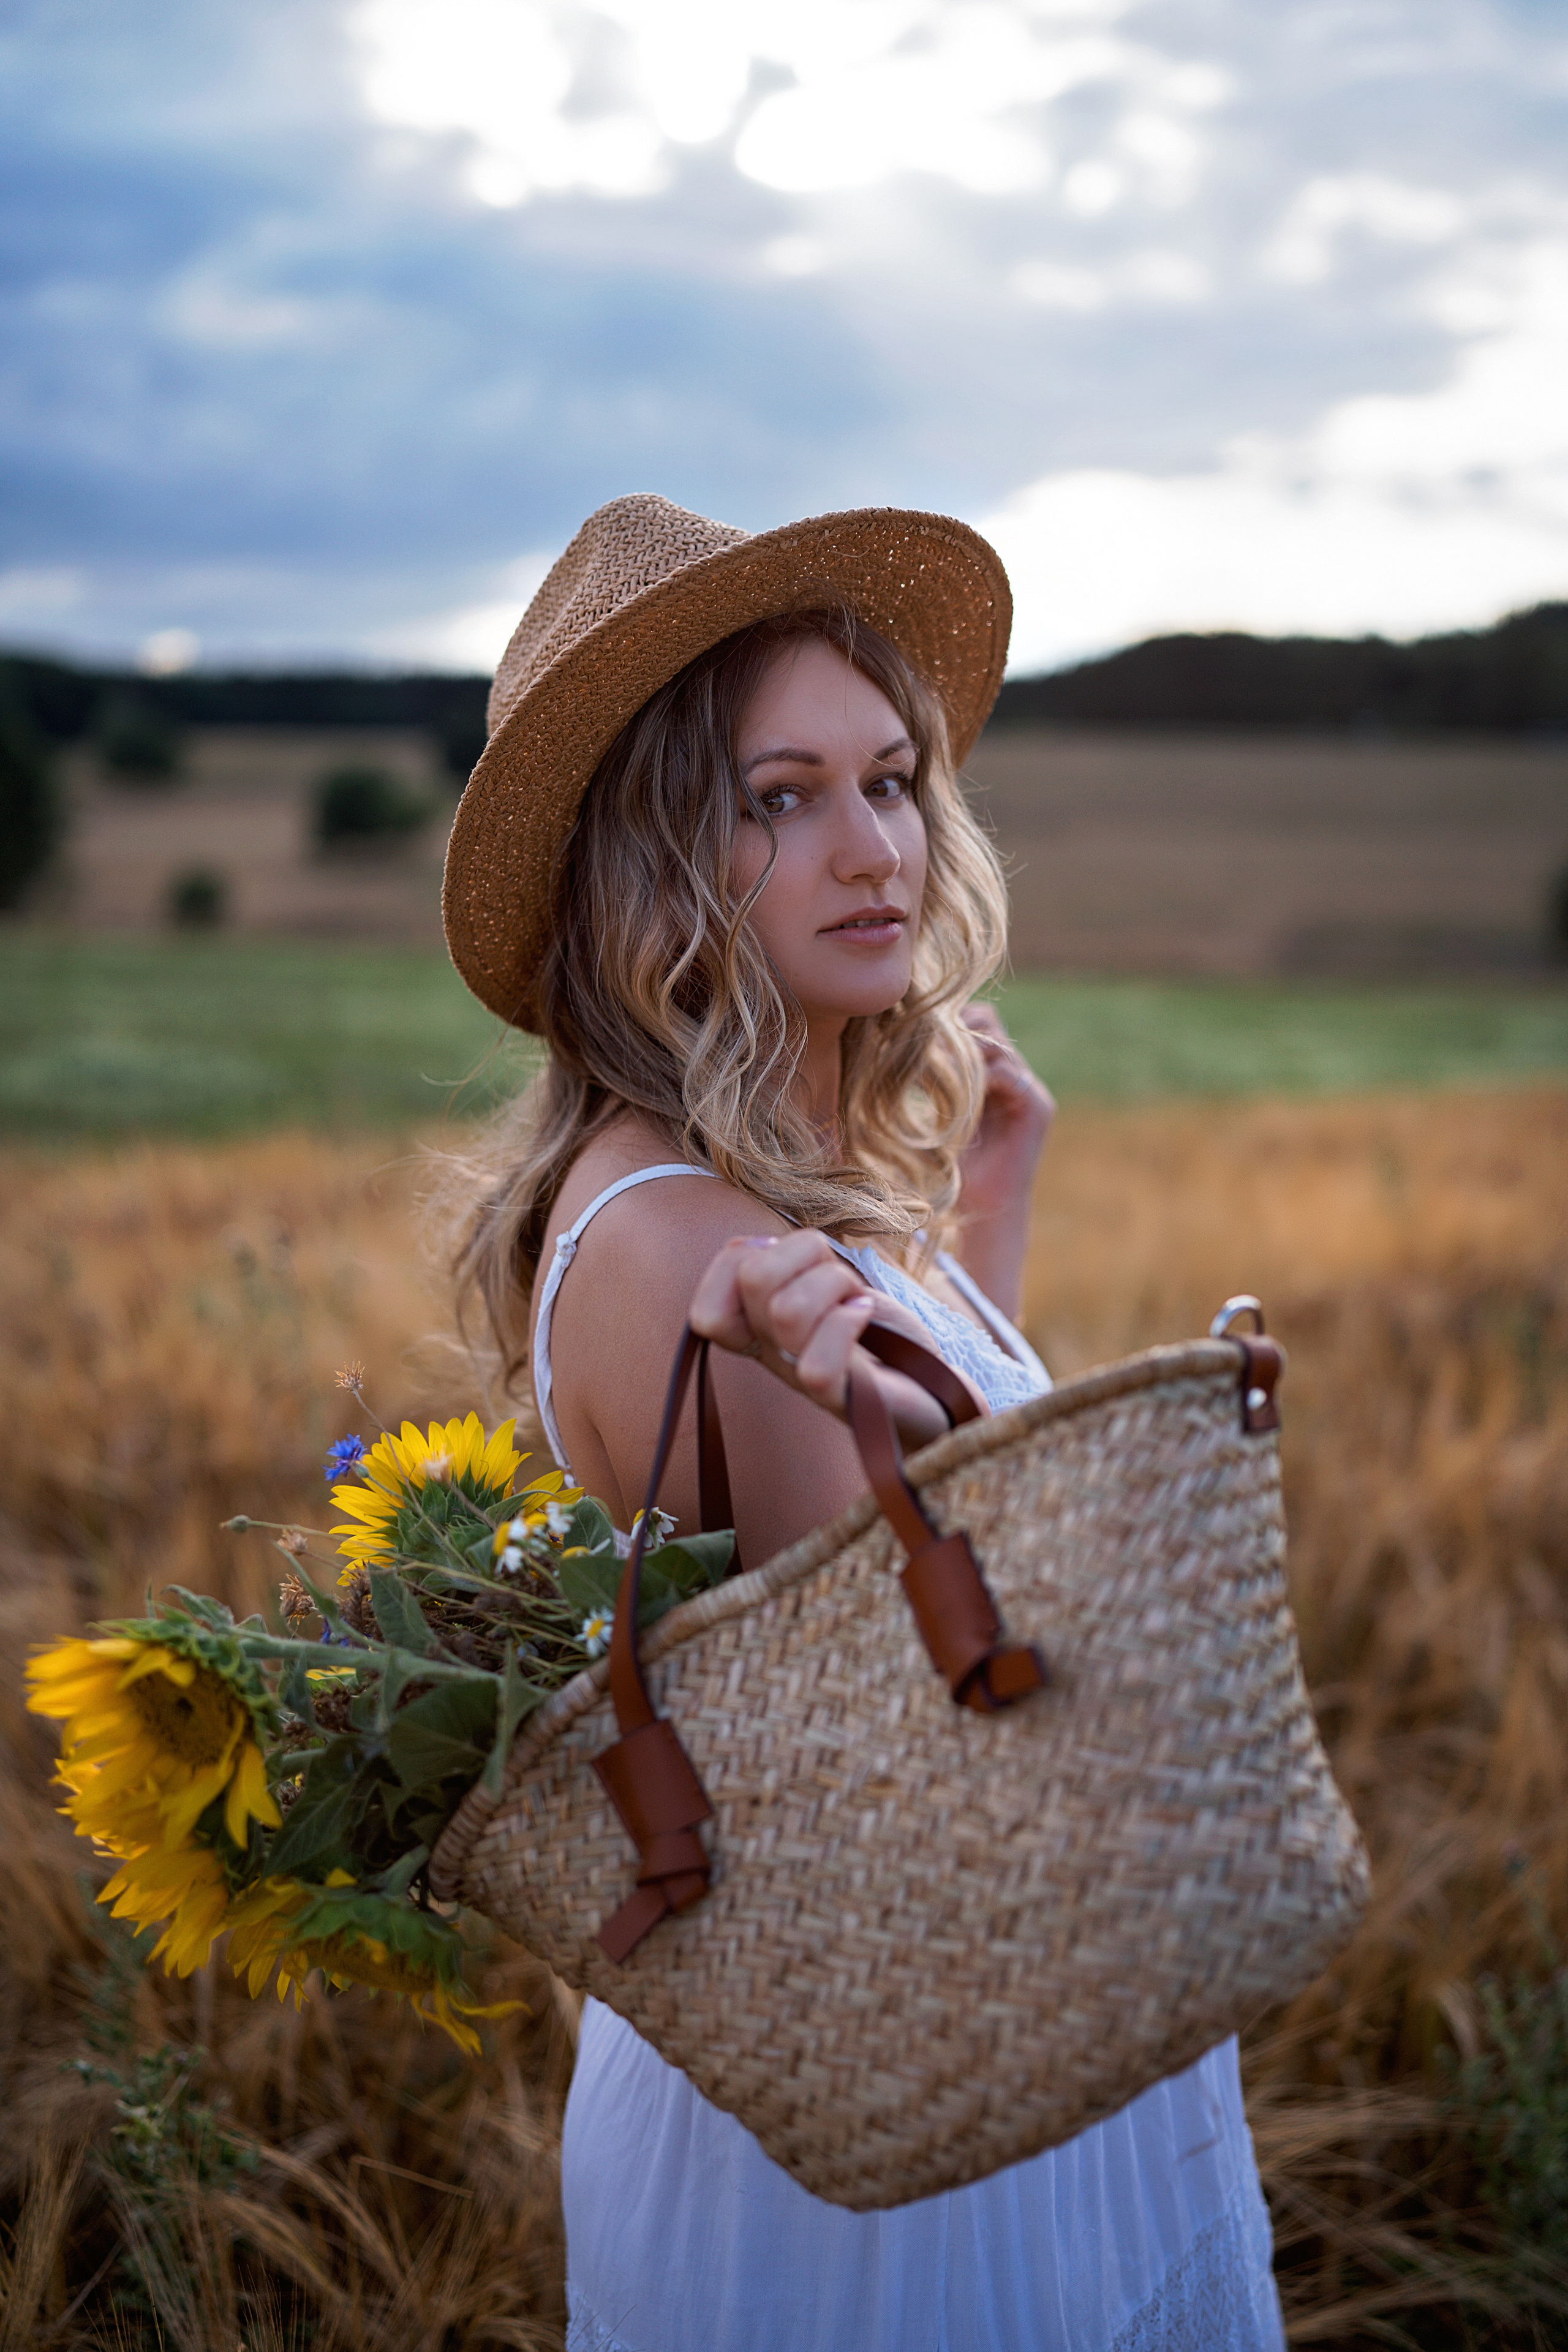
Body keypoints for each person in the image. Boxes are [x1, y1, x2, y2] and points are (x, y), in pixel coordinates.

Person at [446, 494, 1285, 2352]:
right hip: (877, 2165)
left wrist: (983, 1218)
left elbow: (933, 1544)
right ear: (648, 859)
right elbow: (888, 1754)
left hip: (962, 2052)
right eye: (780, 797)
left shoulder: (762, 1198)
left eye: (892, 780)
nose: (873, 847)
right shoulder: (691, 1244)